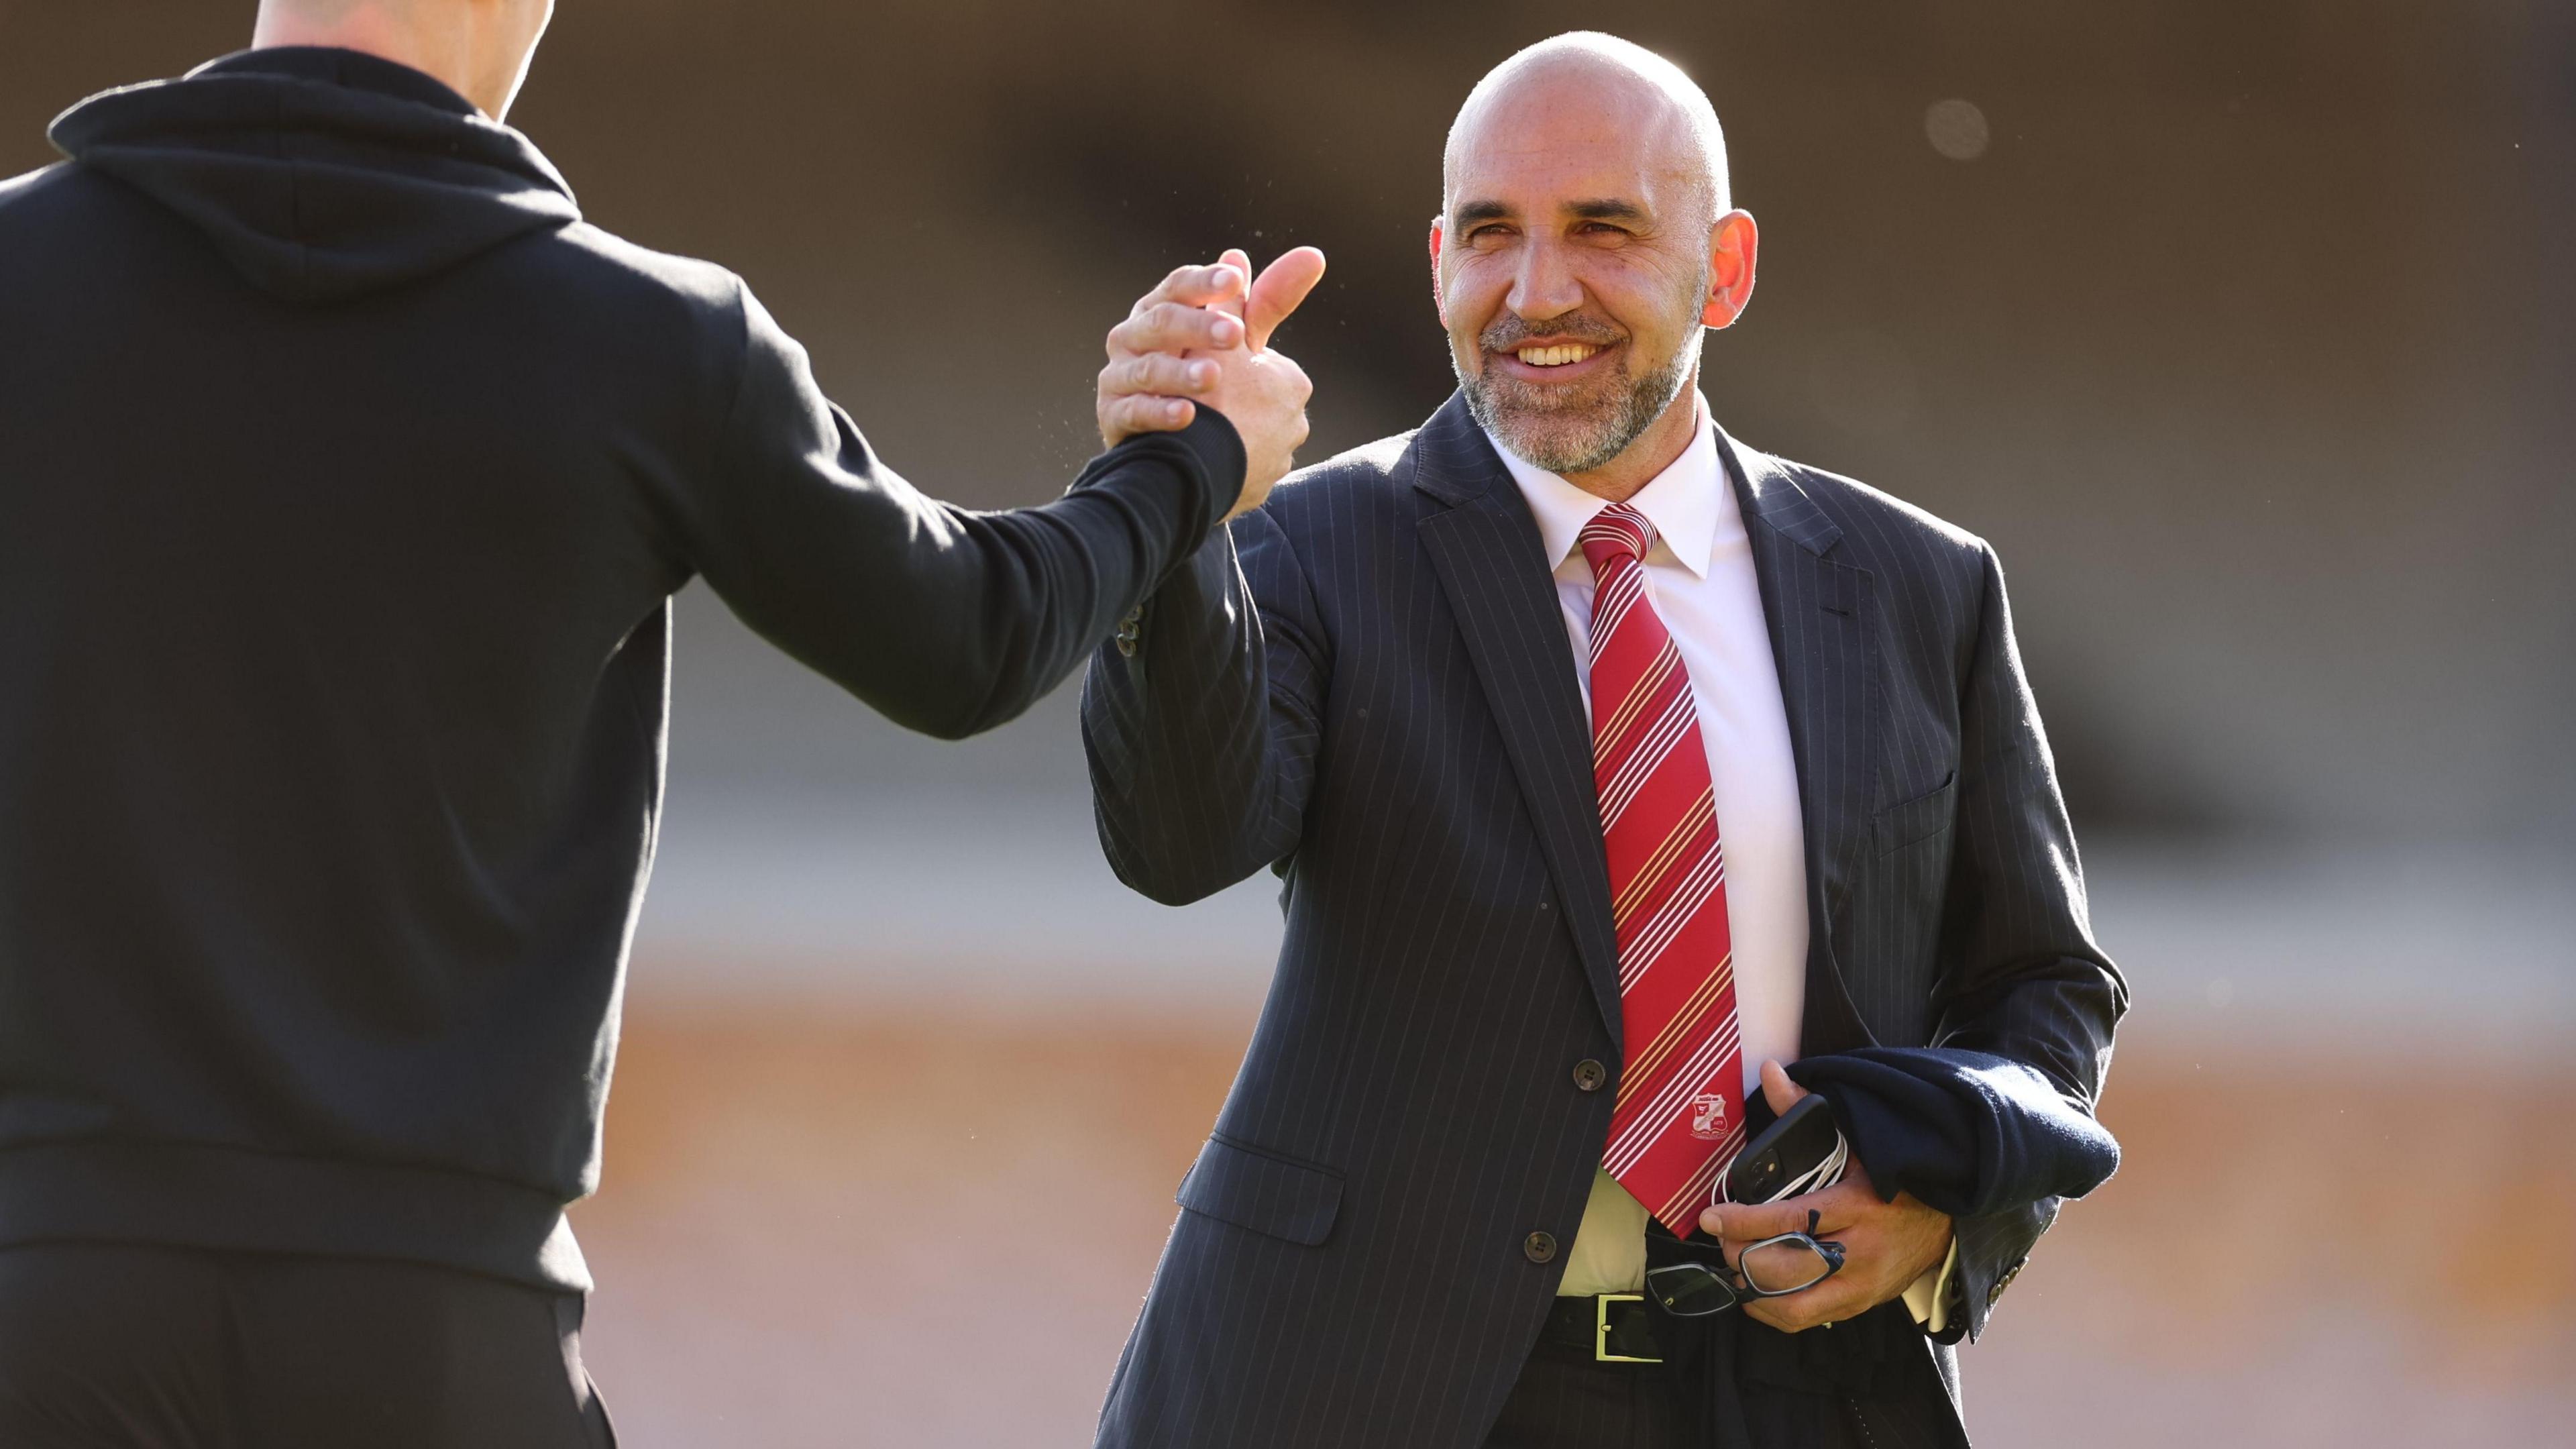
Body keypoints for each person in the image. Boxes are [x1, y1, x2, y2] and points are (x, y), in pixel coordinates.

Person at [0, 1, 1322, 1444]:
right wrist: (1186, 461)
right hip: (436, 1331)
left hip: (46, 1291)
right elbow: (973, 642)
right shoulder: (649, 338)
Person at [1081, 32, 2127, 1448]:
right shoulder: (1312, 545)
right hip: (1370, 1388)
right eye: (1494, 235)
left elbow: (2044, 990)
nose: (1538, 290)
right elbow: (1178, 839)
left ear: (1729, 268)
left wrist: (1945, 1212)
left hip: (1797, 1392)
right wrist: (1177, 505)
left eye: (1605, 231)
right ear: (1441, 260)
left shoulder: (1919, 585)